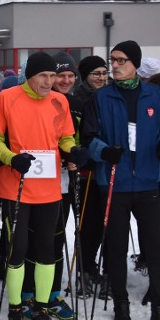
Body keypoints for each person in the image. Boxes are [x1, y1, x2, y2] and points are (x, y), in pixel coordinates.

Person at [81, 40, 160, 320]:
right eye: (113, 60)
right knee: (116, 245)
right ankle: (121, 300)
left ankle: (159, 309)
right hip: (114, 181)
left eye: (121, 60)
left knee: (155, 246)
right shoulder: (102, 97)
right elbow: (89, 137)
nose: (115, 65)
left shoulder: (153, 95)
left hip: (148, 180)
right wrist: (103, 151)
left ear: (134, 63)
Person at [0, 52, 87, 320]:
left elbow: (65, 137)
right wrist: (11, 158)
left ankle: (41, 313)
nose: (49, 82)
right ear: (30, 75)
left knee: (47, 251)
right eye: (43, 76)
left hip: (48, 189)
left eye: (52, 77)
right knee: (17, 250)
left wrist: (72, 150)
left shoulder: (60, 101)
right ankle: (16, 311)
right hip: (15, 186)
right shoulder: (9, 97)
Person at [71, 55, 109, 297]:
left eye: (104, 73)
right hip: (85, 172)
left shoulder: (109, 97)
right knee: (87, 225)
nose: (101, 78)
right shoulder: (79, 99)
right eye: (96, 73)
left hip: (107, 168)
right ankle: (84, 271)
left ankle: (100, 268)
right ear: (85, 75)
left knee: (105, 225)